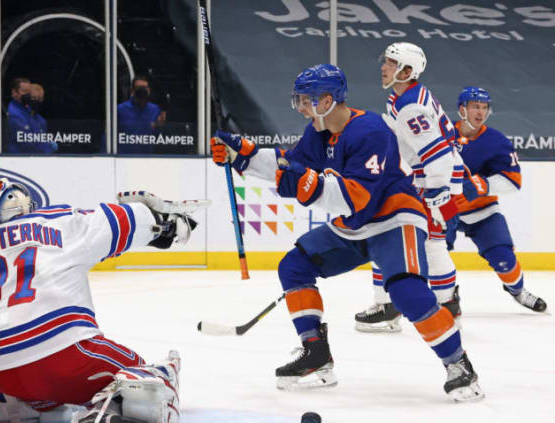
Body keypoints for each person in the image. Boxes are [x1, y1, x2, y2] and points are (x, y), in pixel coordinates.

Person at [210, 64, 483, 401]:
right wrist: (242, 156)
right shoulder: (318, 132)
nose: (302, 108)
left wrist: (298, 180)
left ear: (328, 100)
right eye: (299, 102)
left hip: (395, 218)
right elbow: (290, 164)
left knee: (406, 291)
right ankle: (316, 356)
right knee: (295, 266)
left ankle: (460, 367)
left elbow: (353, 197)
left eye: (307, 101)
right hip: (357, 224)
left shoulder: (369, 130)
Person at [0, 173, 203, 422]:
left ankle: (7, 405)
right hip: (68, 353)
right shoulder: (57, 220)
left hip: (1, 368)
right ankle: (112, 412)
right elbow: (124, 221)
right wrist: (163, 222)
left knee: (31, 389)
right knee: (145, 375)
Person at [353, 42, 465, 332]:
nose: (383, 67)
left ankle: (443, 307)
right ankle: (414, 305)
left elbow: (436, 152)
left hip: (434, 180)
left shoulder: (410, 105)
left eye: (390, 63)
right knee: (402, 236)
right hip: (428, 178)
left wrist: (438, 191)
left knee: (427, 241)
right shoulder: (402, 97)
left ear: (406, 70)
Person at [452, 86, 547, 312]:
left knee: (504, 258)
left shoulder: (497, 141)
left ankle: (517, 290)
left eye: (484, 107)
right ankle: (442, 297)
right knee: (433, 253)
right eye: (475, 106)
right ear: (461, 109)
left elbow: (513, 182)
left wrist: (483, 185)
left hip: (482, 212)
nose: (480, 112)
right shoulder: (441, 134)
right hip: (445, 211)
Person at [117, 75, 166, 153]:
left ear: (149, 90)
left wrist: (160, 124)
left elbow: (159, 138)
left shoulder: (155, 109)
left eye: (144, 88)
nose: (142, 91)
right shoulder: (120, 109)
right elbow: (108, 136)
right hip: (124, 158)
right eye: (139, 88)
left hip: (147, 158)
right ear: (132, 91)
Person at [6, 78, 56, 154]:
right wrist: (48, 148)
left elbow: (38, 136)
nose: (27, 95)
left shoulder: (29, 111)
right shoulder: (14, 113)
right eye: (24, 91)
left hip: (35, 157)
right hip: (19, 158)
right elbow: (27, 142)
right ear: (14, 92)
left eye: (29, 92)